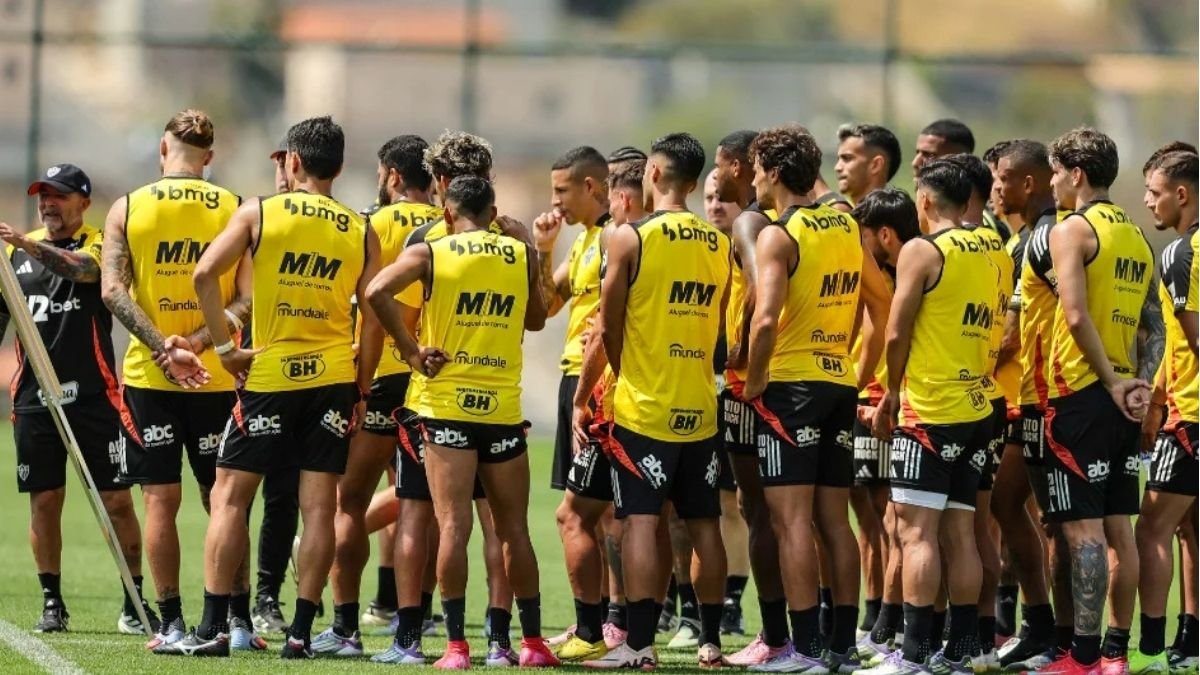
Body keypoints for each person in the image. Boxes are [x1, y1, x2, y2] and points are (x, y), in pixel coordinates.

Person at [156, 115, 380, 658]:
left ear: (294, 162)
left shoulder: (258, 210)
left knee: (229, 497)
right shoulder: (359, 226)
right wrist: (361, 386)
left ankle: (211, 628)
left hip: (270, 373)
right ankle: (301, 633)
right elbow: (372, 315)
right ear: (340, 167)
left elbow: (205, 275)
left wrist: (226, 348)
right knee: (319, 507)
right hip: (331, 379)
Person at [365, 175, 560, 669]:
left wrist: (411, 351)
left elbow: (376, 291)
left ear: (448, 214)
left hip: (445, 406)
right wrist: (527, 249)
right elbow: (536, 319)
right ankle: (528, 644)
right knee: (513, 529)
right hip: (501, 409)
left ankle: (456, 648)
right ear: (493, 212)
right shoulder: (518, 254)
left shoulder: (434, 252)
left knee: (452, 527)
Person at [99, 109, 254, 650]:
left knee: (159, 502)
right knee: (226, 500)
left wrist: (165, 345)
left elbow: (113, 291)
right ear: (209, 158)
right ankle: (239, 622)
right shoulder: (236, 208)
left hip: (150, 377)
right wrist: (199, 343)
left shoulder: (129, 206)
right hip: (214, 377)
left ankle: (170, 622)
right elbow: (246, 298)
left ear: (163, 150)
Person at [742, 124, 889, 672]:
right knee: (834, 521)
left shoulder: (779, 235)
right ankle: (843, 648)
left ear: (775, 173)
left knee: (790, 523)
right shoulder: (845, 225)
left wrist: (756, 380)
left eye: (757, 168)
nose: (753, 178)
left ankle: (803, 649)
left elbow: (764, 322)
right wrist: (857, 366)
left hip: (792, 390)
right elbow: (883, 302)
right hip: (838, 386)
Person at [582, 132, 730, 670]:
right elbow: (717, 327)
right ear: (694, 183)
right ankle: (710, 641)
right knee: (704, 524)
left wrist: (616, 378)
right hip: (701, 403)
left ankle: (639, 647)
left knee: (640, 522)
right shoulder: (719, 241)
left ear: (654, 175)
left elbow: (607, 325)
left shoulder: (629, 237)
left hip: (644, 405)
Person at [0, 164, 155, 635]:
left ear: (83, 202)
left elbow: (85, 273)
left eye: (58, 196)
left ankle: (134, 598)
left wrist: (25, 244)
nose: (48, 203)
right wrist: (17, 250)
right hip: (34, 398)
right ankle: (52, 600)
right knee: (44, 501)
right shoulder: (13, 257)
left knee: (116, 501)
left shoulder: (98, 245)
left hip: (94, 397)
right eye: (42, 196)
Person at [1035, 127, 1160, 675]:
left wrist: (1112, 380)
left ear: (1077, 174)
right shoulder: (1135, 234)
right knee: (1119, 527)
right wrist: (1141, 383)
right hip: (1122, 399)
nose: (1054, 183)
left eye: (1057, 173)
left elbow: (1075, 314)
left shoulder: (1073, 231)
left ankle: (1082, 657)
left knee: (1083, 531)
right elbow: (1153, 323)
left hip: (1081, 395)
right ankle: (1115, 654)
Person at [869, 159, 1001, 675]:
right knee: (962, 531)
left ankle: (915, 654)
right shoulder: (991, 249)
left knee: (916, 533)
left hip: (930, 409)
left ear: (924, 201)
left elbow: (897, 332)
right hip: (978, 405)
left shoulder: (922, 250)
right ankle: (964, 647)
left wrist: (890, 392)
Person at [312, 134, 442, 656]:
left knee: (350, 502)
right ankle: (419, 619)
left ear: (391, 175)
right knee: (426, 507)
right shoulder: (448, 229)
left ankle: (345, 628)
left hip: (383, 376)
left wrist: (361, 385)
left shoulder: (369, 224)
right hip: (432, 380)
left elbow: (367, 313)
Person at [534, 146, 619, 662]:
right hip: (576, 378)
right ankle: (607, 624)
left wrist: (587, 397)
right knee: (600, 512)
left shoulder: (613, 237)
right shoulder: (585, 240)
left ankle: (603, 627)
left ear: (592, 187)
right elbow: (545, 307)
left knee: (581, 514)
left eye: (562, 190)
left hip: (599, 385)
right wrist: (544, 250)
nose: (554, 201)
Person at [987, 139, 1062, 670]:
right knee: (1016, 508)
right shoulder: (1035, 236)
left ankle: (1056, 634)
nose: (996, 189)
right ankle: (1045, 630)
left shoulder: (1036, 240)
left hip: (1032, 397)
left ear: (1027, 183)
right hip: (1036, 395)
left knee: (1031, 511)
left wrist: (970, 364)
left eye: (1002, 180)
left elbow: (1012, 334)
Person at [1132, 149, 1198, 674]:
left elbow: (1193, 342)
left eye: (1154, 192)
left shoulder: (1181, 253)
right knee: (1190, 530)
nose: (1148, 201)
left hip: (1191, 416)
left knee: (1150, 528)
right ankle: (1191, 640)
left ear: (1182, 194)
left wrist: (1157, 408)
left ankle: (1151, 650)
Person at [850, 187, 920, 661]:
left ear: (885, 235)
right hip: (886, 403)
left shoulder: (907, 273)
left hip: (888, 405)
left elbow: (888, 335)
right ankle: (881, 621)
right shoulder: (915, 266)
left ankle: (885, 623)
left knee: (892, 522)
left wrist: (866, 391)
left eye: (863, 236)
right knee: (884, 521)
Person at [251, 137, 302, 636]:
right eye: (275, 164)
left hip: (299, 379)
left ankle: (267, 595)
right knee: (226, 489)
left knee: (283, 494)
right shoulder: (257, 218)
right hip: (248, 372)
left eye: (284, 163)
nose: (280, 172)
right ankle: (228, 597)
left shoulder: (325, 224)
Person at [702, 167, 753, 638]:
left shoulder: (750, 243)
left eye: (725, 197)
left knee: (731, 502)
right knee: (691, 508)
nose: (716, 205)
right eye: (710, 196)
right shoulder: (695, 247)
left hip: (739, 385)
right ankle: (687, 606)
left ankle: (733, 603)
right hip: (695, 386)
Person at [834, 124, 902, 205]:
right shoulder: (836, 214)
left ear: (876, 165)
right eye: (838, 159)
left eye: (847, 158)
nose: (837, 167)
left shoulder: (897, 216)